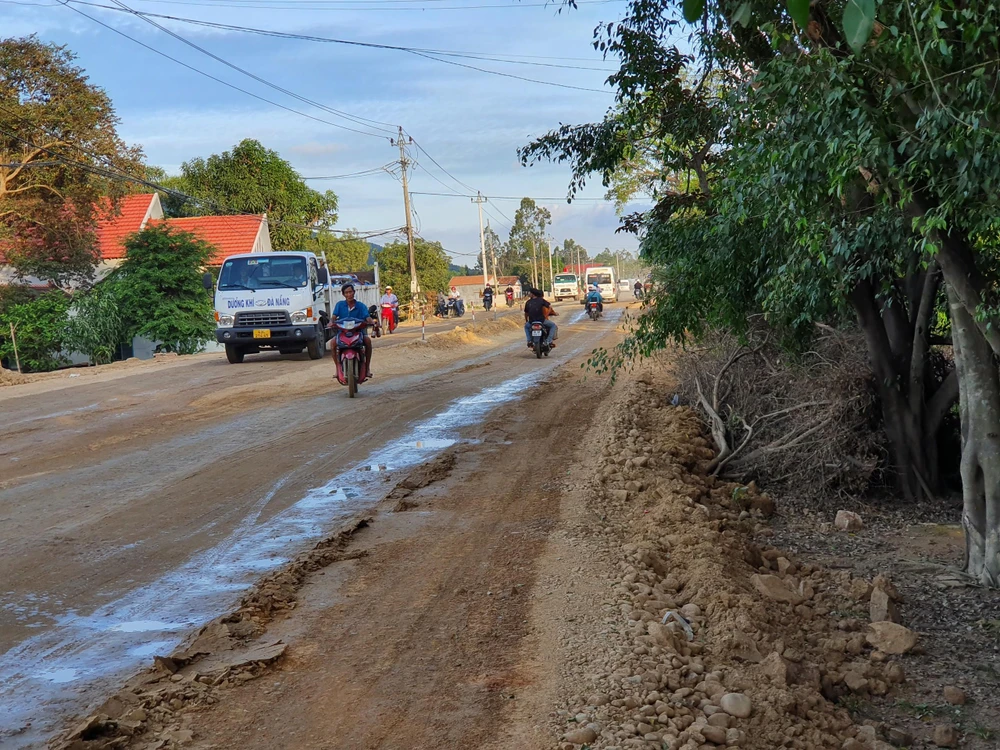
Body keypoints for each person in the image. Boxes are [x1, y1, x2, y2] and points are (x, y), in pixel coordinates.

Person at [331, 283, 378, 376]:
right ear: (343, 294)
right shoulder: (339, 305)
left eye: (350, 292)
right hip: (343, 332)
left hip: (359, 331)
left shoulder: (361, 306)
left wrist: (372, 322)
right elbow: (334, 317)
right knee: (332, 343)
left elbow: (367, 317)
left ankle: (367, 368)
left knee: (368, 341)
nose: (349, 294)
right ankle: (337, 369)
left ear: (354, 292)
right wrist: (331, 322)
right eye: (346, 293)